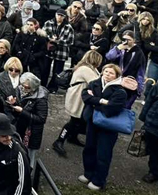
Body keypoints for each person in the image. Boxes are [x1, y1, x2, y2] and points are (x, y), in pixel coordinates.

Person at [80, 63, 128, 191]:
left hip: (108, 126)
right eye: (106, 71)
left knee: (103, 153)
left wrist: (94, 100)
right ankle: (88, 173)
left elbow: (112, 109)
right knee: (89, 148)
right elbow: (85, 97)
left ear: (117, 76)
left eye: (111, 73)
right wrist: (102, 101)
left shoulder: (120, 91)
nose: (107, 74)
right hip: (92, 121)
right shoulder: (94, 83)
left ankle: (99, 180)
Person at [52, 50, 103, 157]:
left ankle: (73, 137)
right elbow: (96, 83)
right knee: (74, 120)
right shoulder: (86, 69)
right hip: (77, 98)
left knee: (79, 120)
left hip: (78, 97)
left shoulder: (87, 67)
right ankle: (59, 141)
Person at [8, 72, 48, 166]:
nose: (24, 88)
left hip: (31, 131)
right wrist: (13, 104)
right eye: (23, 86)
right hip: (21, 127)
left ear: (33, 87)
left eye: (27, 87)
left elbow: (41, 119)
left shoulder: (41, 99)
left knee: (30, 155)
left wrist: (22, 111)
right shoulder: (20, 90)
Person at [139, 77, 158, 183]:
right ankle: (153, 172)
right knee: (154, 149)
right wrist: (144, 119)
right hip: (153, 123)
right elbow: (149, 100)